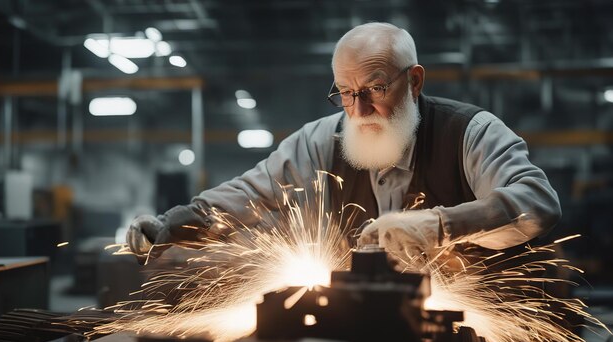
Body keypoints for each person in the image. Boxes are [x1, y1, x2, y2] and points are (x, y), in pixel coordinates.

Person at [127, 22, 561, 267]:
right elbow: (251, 193)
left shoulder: (470, 131)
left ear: (414, 81)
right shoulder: (322, 140)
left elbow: (536, 202)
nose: (359, 109)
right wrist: (176, 222)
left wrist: (440, 225)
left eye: (375, 88)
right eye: (345, 93)